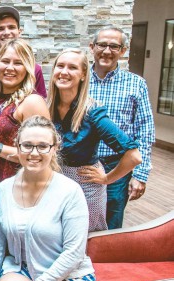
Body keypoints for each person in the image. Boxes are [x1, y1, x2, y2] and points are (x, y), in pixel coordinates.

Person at [0, 116, 97, 281]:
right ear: (17, 146)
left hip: (69, 277)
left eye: (42, 146)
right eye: (27, 145)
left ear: (54, 148)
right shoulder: (3, 190)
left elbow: (75, 253)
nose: (34, 153)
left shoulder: (70, 191)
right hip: (20, 269)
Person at [48, 49, 141, 231]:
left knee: (84, 240)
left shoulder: (93, 113)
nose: (64, 71)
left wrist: (107, 178)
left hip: (85, 186)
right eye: (60, 66)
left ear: (83, 74)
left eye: (72, 67)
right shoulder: (46, 107)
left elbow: (134, 156)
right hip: (54, 184)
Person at [89, 26, 155, 229]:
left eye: (114, 46)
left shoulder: (136, 84)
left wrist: (140, 175)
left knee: (112, 223)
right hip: (82, 163)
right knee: (77, 219)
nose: (107, 51)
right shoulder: (78, 80)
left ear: (123, 50)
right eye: (102, 45)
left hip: (117, 166)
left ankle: (108, 262)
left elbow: (145, 131)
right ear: (92, 47)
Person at [0, 38, 49, 220]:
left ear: (27, 68)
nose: (10, 67)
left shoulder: (31, 102)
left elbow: (44, 154)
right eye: (5, 61)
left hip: (16, 186)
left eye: (18, 63)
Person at [0, 6, 47, 98]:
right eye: (0, 29)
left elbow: (42, 101)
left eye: (11, 27)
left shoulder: (33, 68)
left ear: (19, 32)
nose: (6, 32)